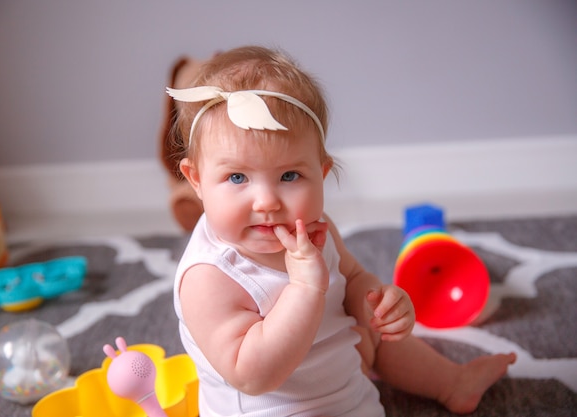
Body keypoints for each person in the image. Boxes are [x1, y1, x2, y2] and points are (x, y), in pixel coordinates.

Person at [169, 45, 516, 416]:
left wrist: (379, 303)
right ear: (196, 181)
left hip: (344, 380)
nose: (267, 201)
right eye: (237, 177)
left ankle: (452, 383)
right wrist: (304, 288)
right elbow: (252, 376)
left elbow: (350, 280)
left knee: (381, 337)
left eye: (290, 176)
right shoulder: (209, 276)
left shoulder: (316, 230)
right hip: (279, 409)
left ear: (321, 172)